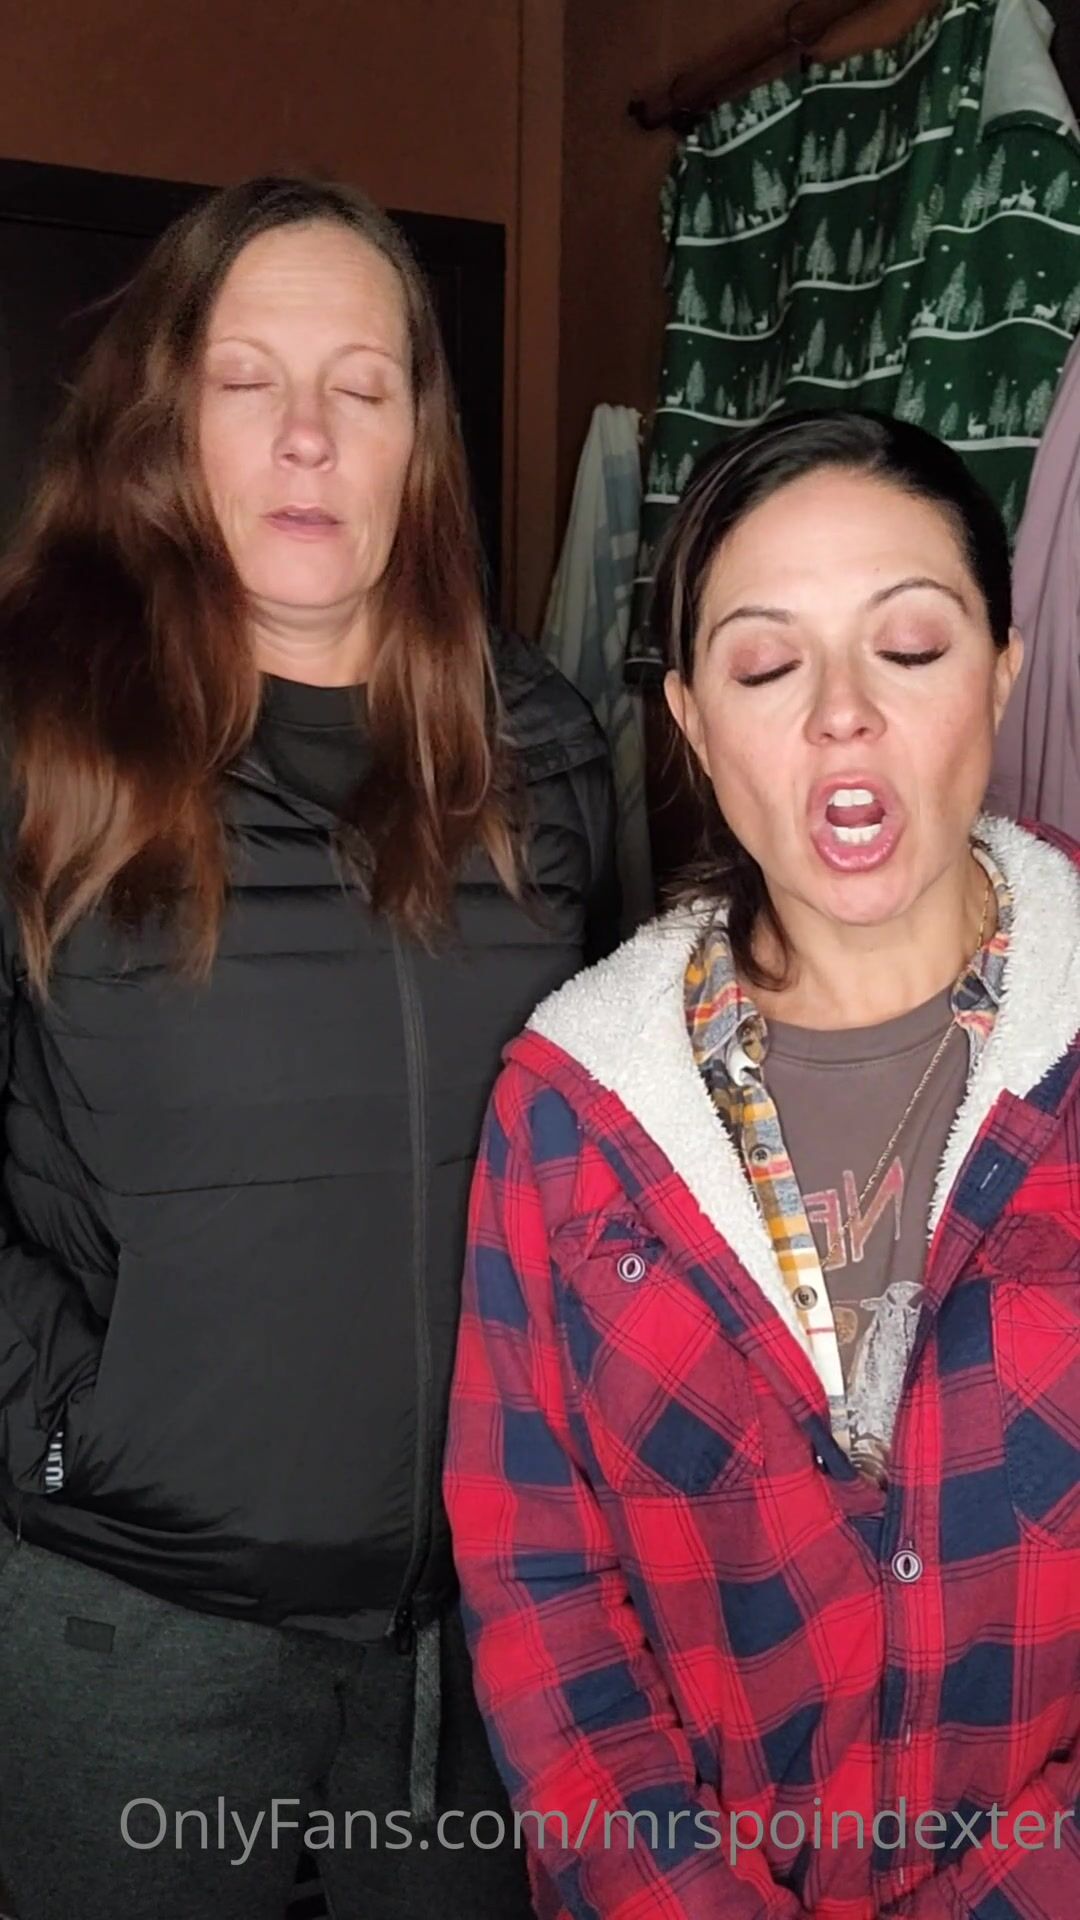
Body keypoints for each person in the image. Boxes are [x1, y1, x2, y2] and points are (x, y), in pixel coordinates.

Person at [0, 175, 615, 1920]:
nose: (305, 437)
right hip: (132, 1632)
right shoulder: (36, 733)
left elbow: (616, 1141)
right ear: (164, 418)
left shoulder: (540, 742)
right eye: (246, 380)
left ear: (420, 438)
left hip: (478, 1639)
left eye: (361, 386)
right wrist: (66, 1428)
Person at [446, 410, 1080, 1920]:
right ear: (687, 718)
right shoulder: (569, 1112)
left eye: (908, 647)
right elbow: (544, 1604)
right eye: (765, 665)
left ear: (1002, 669)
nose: (843, 715)